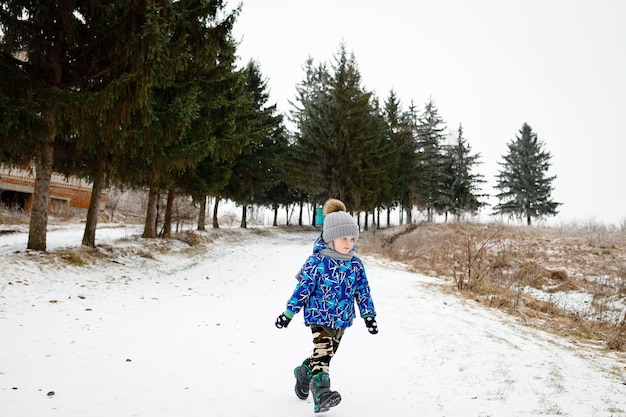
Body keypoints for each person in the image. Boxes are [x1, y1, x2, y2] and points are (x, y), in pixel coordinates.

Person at [275, 198, 378, 413]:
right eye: (343, 238)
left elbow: (363, 291)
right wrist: (288, 313)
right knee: (323, 353)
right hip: (318, 317)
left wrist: (369, 316)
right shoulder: (317, 262)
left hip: (342, 319)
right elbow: (302, 290)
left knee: (326, 354)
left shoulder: (355, 264)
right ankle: (322, 393)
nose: (348, 243)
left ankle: (303, 373)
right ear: (330, 238)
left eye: (352, 238)